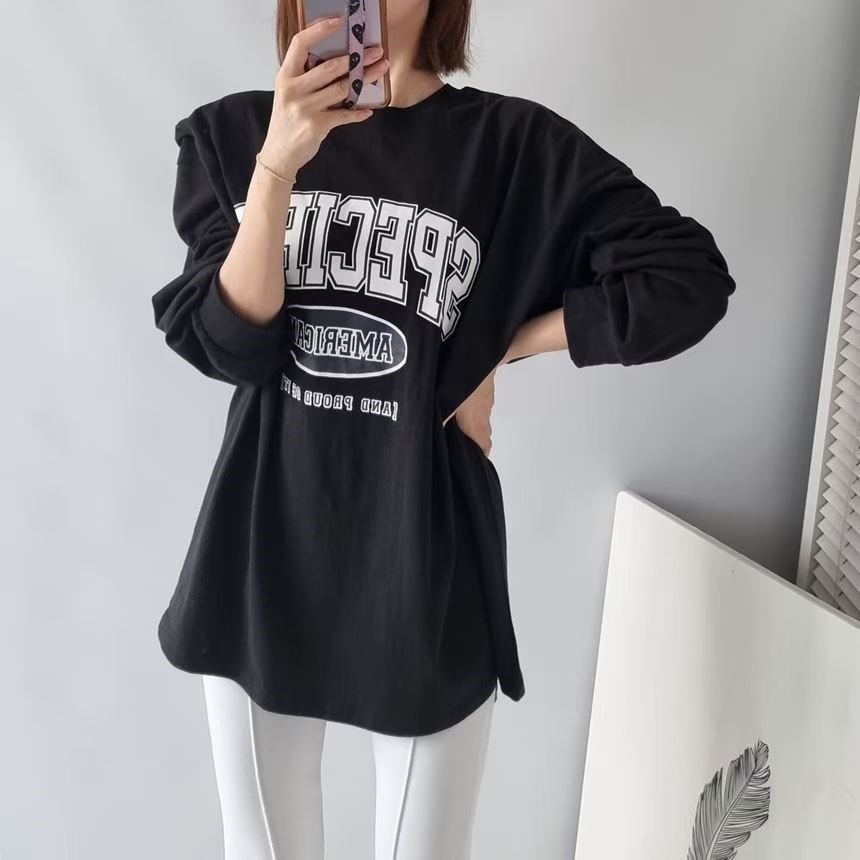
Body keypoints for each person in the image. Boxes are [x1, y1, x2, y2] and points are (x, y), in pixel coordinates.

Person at [150, 0, 736, 856]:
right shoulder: (235, 136)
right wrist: (277, 164)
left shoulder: (511, 151)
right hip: (260, 554)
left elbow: (687, 280)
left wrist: (500, 345)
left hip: (425, 565)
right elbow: (233, 346)